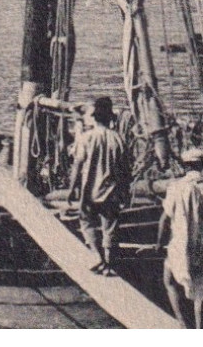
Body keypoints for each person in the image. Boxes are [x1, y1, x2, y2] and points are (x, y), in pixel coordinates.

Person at [158, 147, 203, 328]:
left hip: (181, 243)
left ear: (184, 167)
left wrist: (158, 243)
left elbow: (164, 218)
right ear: (202, 165)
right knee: (201, 285)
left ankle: (182, 324)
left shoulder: (176, 188)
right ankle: (200, 327)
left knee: (170, 280)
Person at [69, 96, 131, 276]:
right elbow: (125, 170)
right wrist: (125, 192)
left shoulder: (87, 138)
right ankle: (109, 265)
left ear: (94, 118)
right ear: (110, 117)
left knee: (86, 222)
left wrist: (73, 189)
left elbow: (78, 165)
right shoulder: (119, 139)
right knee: (110, 228)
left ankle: (97, 256)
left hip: (90, 190)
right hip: (112, 191)